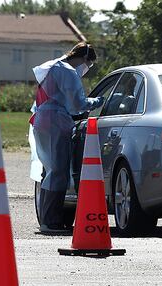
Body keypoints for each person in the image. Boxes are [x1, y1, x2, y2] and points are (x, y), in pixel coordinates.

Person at [29, 42, 104, 233]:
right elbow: (76, 104)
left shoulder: (55, 66)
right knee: (58, 172)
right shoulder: (68, 71)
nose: (87, 69)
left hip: (43, 121)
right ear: (85, 59)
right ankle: (52, 222)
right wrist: (97, 101)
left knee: (50, 170)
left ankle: (47, 220)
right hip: (55, 122)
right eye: (90, 65)